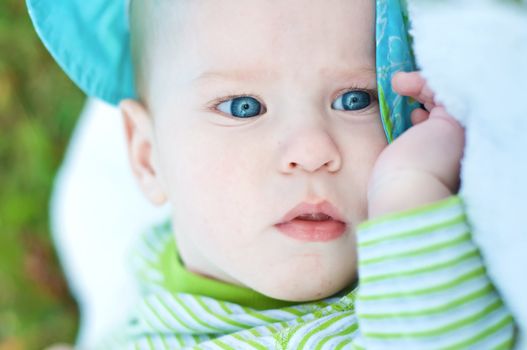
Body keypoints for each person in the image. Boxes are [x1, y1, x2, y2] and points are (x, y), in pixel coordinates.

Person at [28, 0, 516, 348]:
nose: (311, 151)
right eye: (244, 107)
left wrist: (409, 190)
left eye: (355, 99)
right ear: (147, 156)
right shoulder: (144, 269)